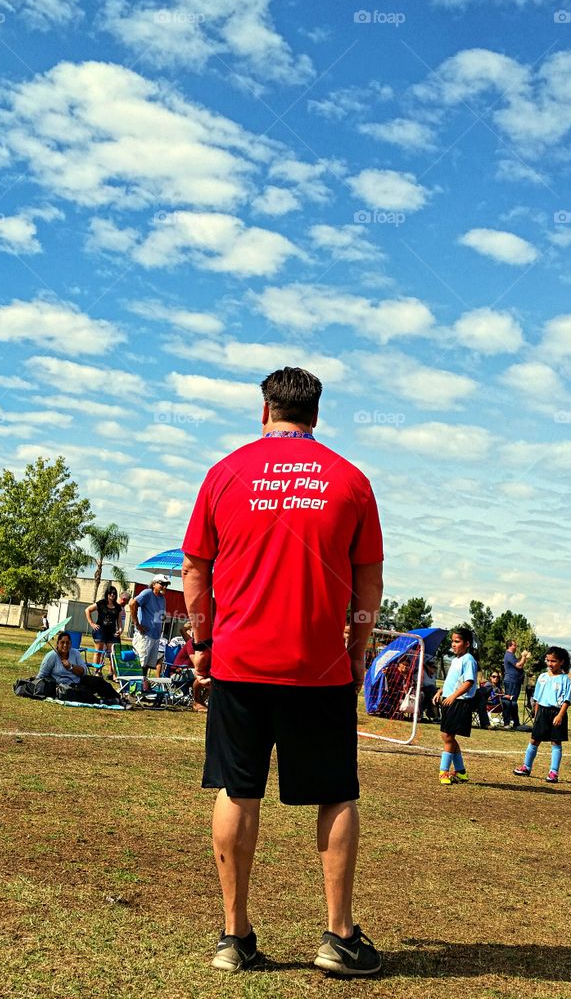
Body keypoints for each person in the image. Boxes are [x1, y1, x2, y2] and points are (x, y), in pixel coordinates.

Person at [182, 366, 384, 976]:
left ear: (263, 409)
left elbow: (195, 571)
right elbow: (368, 581)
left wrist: (202, 643)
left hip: (240, 665)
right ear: (317, 415)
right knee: (335, 793)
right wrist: (356, 649)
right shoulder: (351, 480)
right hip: (319, 669)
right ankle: (339, 938)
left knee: (237, 788)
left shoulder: (224, 474)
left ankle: (234, 937)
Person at [513, 646, 571, 782]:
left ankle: (553, 772)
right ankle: (526, 767)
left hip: (557, 712)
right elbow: (537, 698)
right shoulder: (542, 677)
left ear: (561, 662)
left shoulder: (565, 679)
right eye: (548, 660)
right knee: (534, 740)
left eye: (553, 661)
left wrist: (560, 715)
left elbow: (567, 700)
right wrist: (536, 713)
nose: (550, 664)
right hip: (543, 712)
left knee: (556, 742)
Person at [434, 628, 478, 784]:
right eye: (452, 641)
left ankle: (444, 772)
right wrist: (441, 691)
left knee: (447, 736)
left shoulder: (468, 660)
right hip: (450, 700)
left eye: (457, 641)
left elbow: (469, 682)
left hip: (459, 702)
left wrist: (453, 696)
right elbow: (452, 682)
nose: (453, 644)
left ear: (467, 644)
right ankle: (461, 772)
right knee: (449, 737)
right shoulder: (456, 660)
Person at [36, 631, 122, 705]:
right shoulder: (51, 656)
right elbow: (41, 676)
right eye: (62, 642)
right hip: (64, 687)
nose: (65, 645)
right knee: (83, 692)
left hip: (79, 680)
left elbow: (84, 671)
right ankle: (102, 702)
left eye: (68, 642)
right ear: (57, 644)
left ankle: (119, 699)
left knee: (98, 681)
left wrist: (71, 667)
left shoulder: (75, 653)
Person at [130, 575, 170, 682]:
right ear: (154, 584)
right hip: (145, 635)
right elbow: (132, 603)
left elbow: (160, 615)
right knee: (141, 663)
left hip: (156, 636)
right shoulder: (147, 593)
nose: (164, 587)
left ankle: (143, 684)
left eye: (166, 585)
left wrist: (161, 620)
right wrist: (137, 624)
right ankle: (136, 687)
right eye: (162, 584)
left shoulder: (162, 599)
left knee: (148, 664)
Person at [86, 584, 123, 674]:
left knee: (113, 653)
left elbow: (119, 620)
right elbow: (87, 610)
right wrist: (92, 623)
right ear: (107, 594)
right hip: (100, 630)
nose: (112, 595)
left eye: (114, 593)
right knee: (99, 651)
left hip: (112, 631)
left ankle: (114, 674)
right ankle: (97, 671)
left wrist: (120, 629)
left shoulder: (118, 607)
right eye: (110, 593)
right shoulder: (101, 603)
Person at [502, 639, 530, 729]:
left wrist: (524, 658)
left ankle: (514, 722)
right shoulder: (509, 655)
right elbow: (519, 665)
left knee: (512, 702)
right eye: (514, 645)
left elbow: (519, 664)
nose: (516, 647)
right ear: (510, 646)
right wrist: (523, 656)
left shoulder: (511, 656)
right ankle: (509, 723)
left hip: (514, 681)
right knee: (510, 702)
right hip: (512, 681)